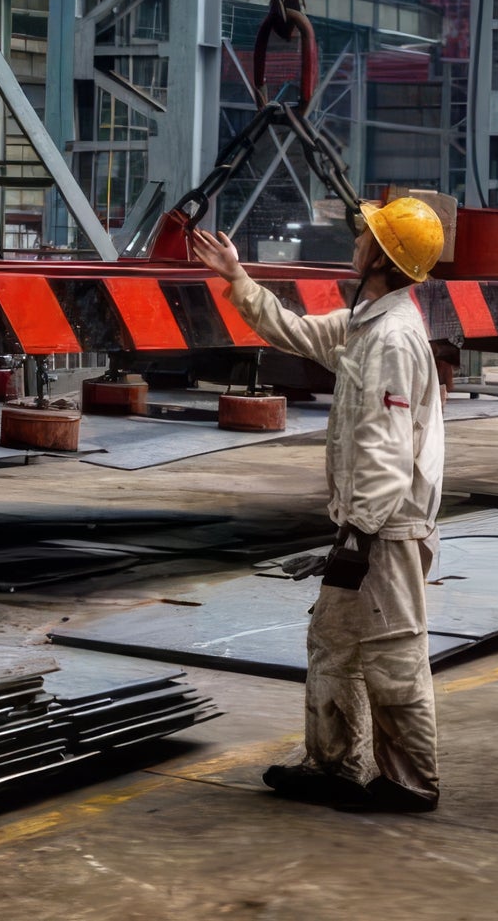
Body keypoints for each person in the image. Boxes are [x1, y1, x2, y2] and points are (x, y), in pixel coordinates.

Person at [191, 197, 447, 812]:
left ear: (381, 258)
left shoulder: (391, 338)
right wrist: (237, 278)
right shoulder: (367, 324)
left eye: (366, 236)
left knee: (392, 652)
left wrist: (359, 534)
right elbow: (300, 333)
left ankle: (411, 782)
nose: (356, 240)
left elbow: (387, 448)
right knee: (333, 642)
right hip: (365, 526)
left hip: (386, 530)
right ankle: (333, 766)